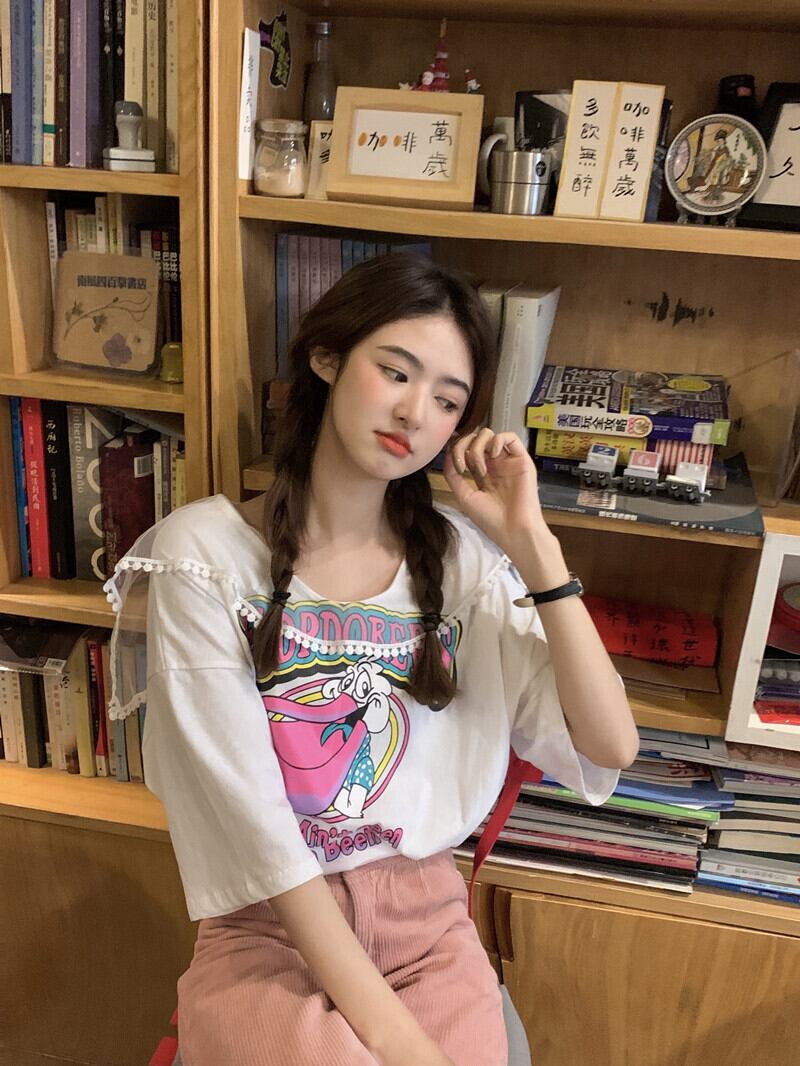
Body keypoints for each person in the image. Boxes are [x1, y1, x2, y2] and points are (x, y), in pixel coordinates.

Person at [104, 253, 639, 1066]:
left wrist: (533, 545)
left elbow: (611, 744)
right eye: (396, 372)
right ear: (327, 357)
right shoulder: (204, 559)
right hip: (272, 928)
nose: (416, 413)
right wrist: (404, 1048)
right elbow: (261, 839)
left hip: (430, 933)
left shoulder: (462, 566)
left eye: (448, 401)